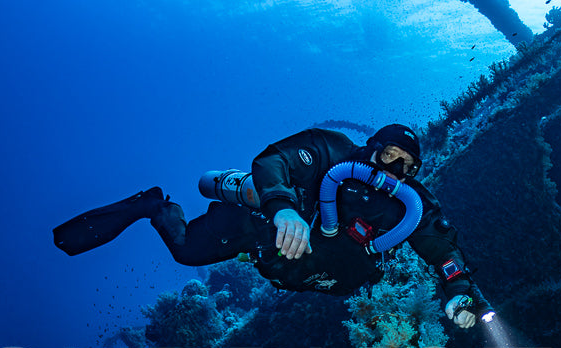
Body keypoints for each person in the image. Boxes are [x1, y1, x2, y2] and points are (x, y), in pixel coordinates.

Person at [53, 124, 489, 327]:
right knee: (185, 251)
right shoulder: (332, 151)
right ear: (372, 147)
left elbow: (442, 245)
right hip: (262, 226)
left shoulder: (408, 204)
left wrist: (458, 291)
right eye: (391, 155)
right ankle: (151, 205)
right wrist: (283, 208)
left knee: (353, 280)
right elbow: (272, 161)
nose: (397, 170)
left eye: (409, 166)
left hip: (315, 267)